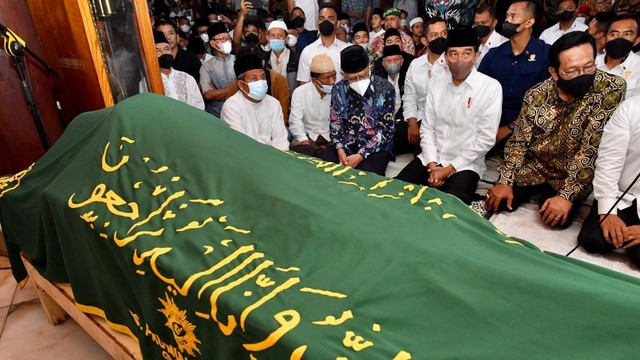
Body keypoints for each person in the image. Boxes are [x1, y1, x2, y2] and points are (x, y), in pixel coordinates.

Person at [485, 31, 627, 228]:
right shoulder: (536, 95)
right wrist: (505, 180)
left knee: (555, 220)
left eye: (588, 67)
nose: (582, 75)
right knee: (497, 201)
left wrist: (567, 196)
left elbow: (592, 149)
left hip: (571, 172)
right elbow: (519, 141)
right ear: (554, 72)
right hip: (536, 165)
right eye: (572, 71)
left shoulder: (610, 88)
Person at [396, 29, 502, 205]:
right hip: (431, 158)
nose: (459, 60)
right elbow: (428, 128)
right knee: (396, 193)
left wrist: (448, 169)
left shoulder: (490, 88)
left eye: (466, 53)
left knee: (450, 209)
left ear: (476, 55)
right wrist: (431, 165)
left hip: (465, 165)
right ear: (445, 57)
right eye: (453, 54)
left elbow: (485, 139)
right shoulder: (437, 82)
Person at [577, 96, 640, 266]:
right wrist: (607, 212)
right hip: (620, 195)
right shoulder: (631, 107)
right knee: (593, 240)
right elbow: (609, 161)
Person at [479, 0, 550, 147]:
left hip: (531, 133)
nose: (507, 20)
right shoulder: (494, 55)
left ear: (529, 22)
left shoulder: (545, 54)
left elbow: (548, 102)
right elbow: (479, 93)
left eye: (513, 17)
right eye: (506, 16)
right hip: (491, 130)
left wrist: (511, 127)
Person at [323, 46, 396, 176]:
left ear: (369, 68)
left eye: (362, 76)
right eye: (352, 79)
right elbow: (336, 123)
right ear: (343, 74)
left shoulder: (385, 89)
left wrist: (361, 155)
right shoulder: (339, 90)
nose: (358, 82)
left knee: (366, 176)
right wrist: (340, 149)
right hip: (347, 144)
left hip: (376, 147)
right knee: (325, 168)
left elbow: (386, 130)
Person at [220, 53, 289, 150]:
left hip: (274, 156)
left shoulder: (273, 103)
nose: (260, 81)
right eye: (254, 78)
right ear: (241, 84)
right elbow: (240, 143)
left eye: (263, 77)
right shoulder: (231, 107)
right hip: (247, 157)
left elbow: (280, 139)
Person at [401, 17, 449, 154]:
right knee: (390, 140)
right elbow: (410, 97)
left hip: (441, 124)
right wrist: (412, 122)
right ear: (424, 41)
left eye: (444, 33)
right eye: (434, 35)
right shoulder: (416, 65)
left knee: (421, 152)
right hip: (420, 116)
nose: (441, 38)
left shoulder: (454, 64)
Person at [143, 31, 205, 110]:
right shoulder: (147, 82)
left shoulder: (187, 78)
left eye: (167, 49)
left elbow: (199, 107)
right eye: (158, 50)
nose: (164, 52)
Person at [289, 54, 336, 157]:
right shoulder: (300, 92)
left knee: (331, 155)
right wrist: (305, 142)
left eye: (334, 76)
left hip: (331, 140)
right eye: (327, 78)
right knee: (304, 153)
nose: (332, 81)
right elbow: (295, 122)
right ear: (314, 80)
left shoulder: (339, 92)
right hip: (307, 138)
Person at [296, 4, 350, 84]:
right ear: (317, 23)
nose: (326, 22)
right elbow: (303, 84)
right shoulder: (307, 51)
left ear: (337, 23)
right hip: (314, 96)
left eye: (330, 18)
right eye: (322, 19)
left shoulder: (348, 50)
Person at [596, 13, 640, 99]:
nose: (619, 38)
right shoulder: (592, 63)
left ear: (637, 40)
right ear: (604, 38)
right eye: (613, 34)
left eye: (627, 34)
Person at [200, 23, 236, 118]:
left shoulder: (238, 60)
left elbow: (246, 88)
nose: (227, 42)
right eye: (222, 39)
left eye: (228, 39)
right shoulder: (206, 67)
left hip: (238, 110)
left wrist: (218, 92)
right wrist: (234, 88)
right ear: (213, 43)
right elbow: (208, 95)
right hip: (216, 114)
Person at [264, 20, 300, 94]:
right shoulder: (263, 59)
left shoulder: (296, 59)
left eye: (280, 35)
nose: (276, 38)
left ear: (286, 38)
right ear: (267, 38)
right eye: (273, 35)